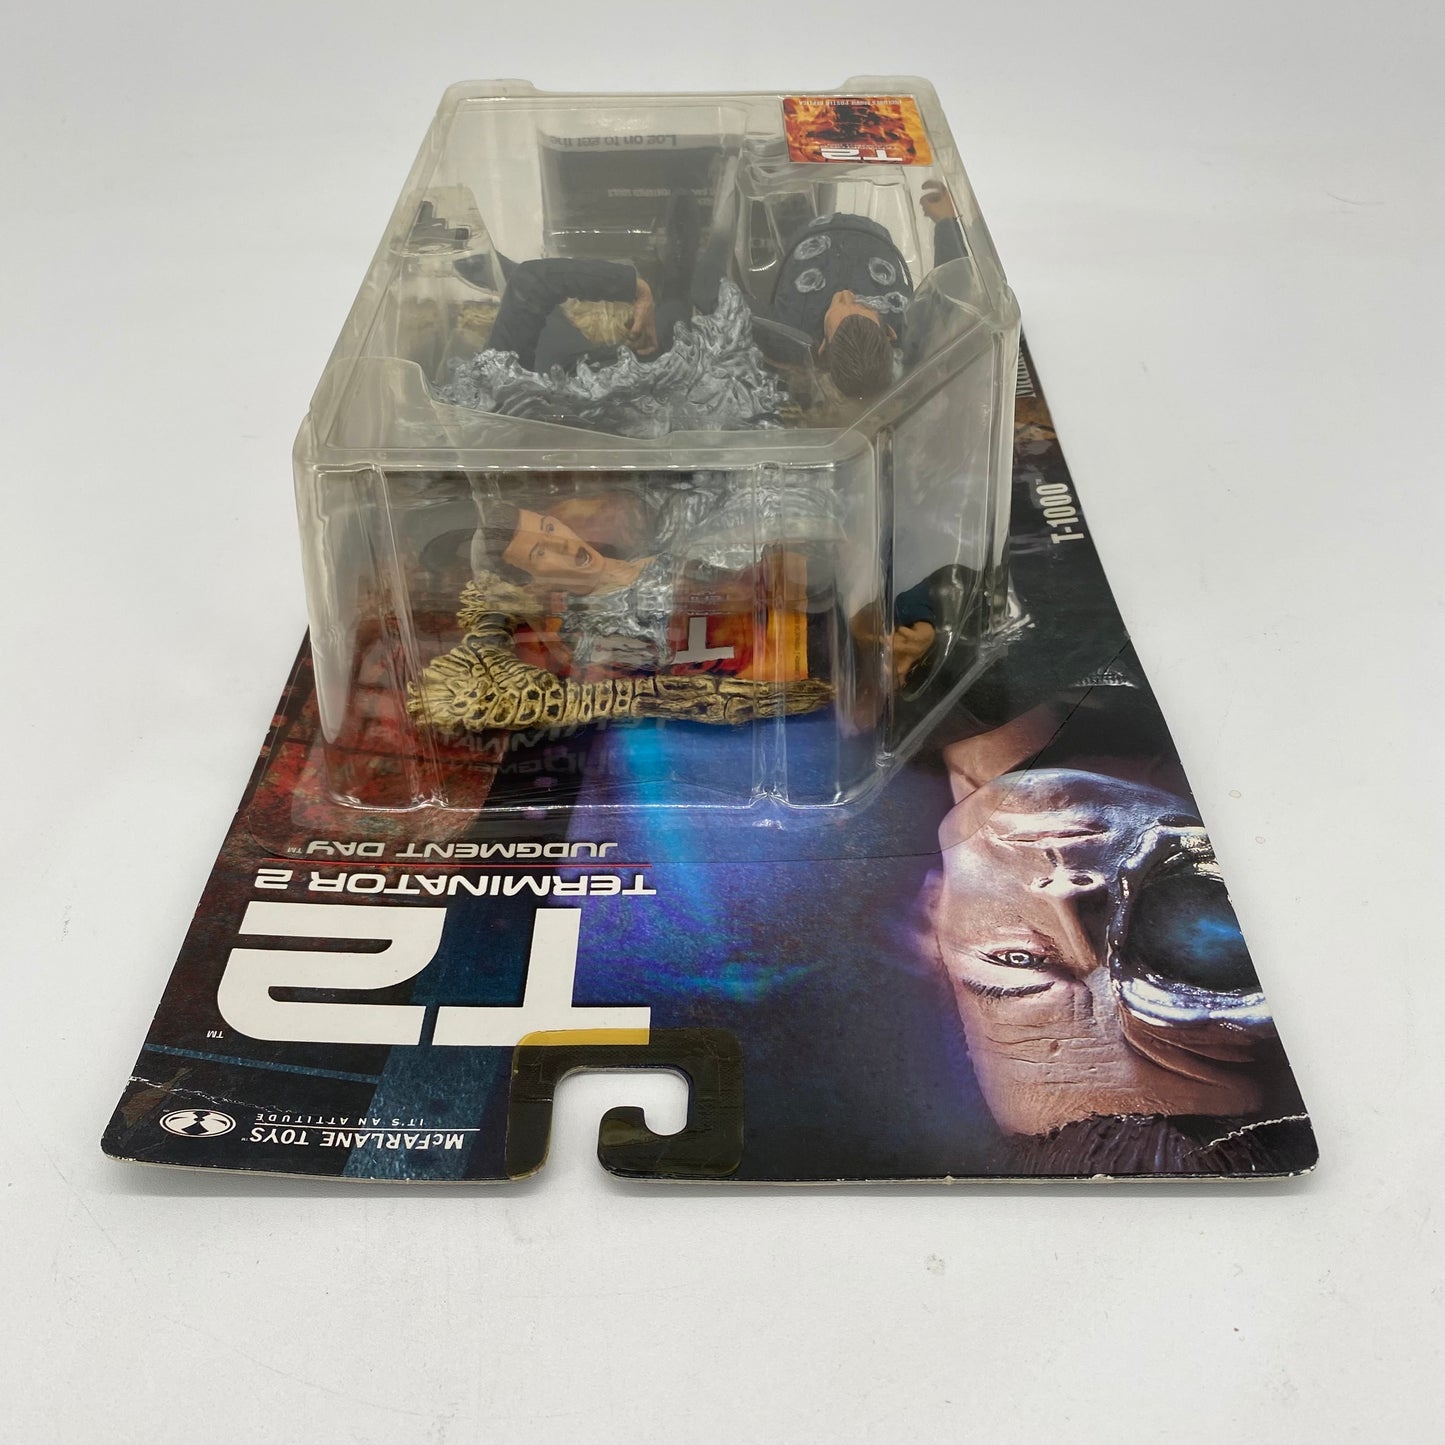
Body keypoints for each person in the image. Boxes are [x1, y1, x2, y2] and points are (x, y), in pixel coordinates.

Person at [694, 179, 968, 402]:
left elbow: (706, 289)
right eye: (862, 305)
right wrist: (947, 221)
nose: (846, 296)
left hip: (805, 230)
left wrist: (724, 219)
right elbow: (953, 290)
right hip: (870, 232)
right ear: (889, 333)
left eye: (839, 306)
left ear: (823, 346)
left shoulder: (787, 337)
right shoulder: (908, 331)